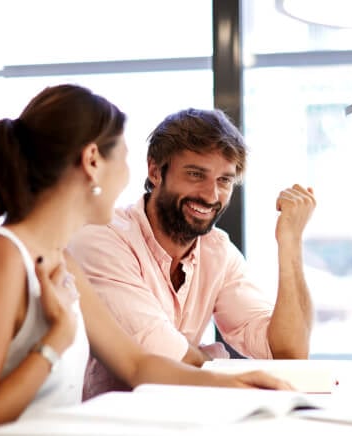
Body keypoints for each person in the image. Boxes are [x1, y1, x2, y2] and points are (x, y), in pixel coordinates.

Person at [0, 86, 290, 436]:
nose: (128, 178)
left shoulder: (60, 261)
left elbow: (137, 364)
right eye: (123, 158)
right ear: (92, 160)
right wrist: (54, 342)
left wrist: (238, 383)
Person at [67, 108, 316, 399]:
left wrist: (290, 243)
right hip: (106, 424)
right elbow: (161, 356)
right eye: (196, 174)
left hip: (181, 418)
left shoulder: (217, 251)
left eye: (224, 180)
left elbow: (288, 352)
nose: (211, 196)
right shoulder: (103, 237)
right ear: (155, 171)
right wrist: (224, 368)